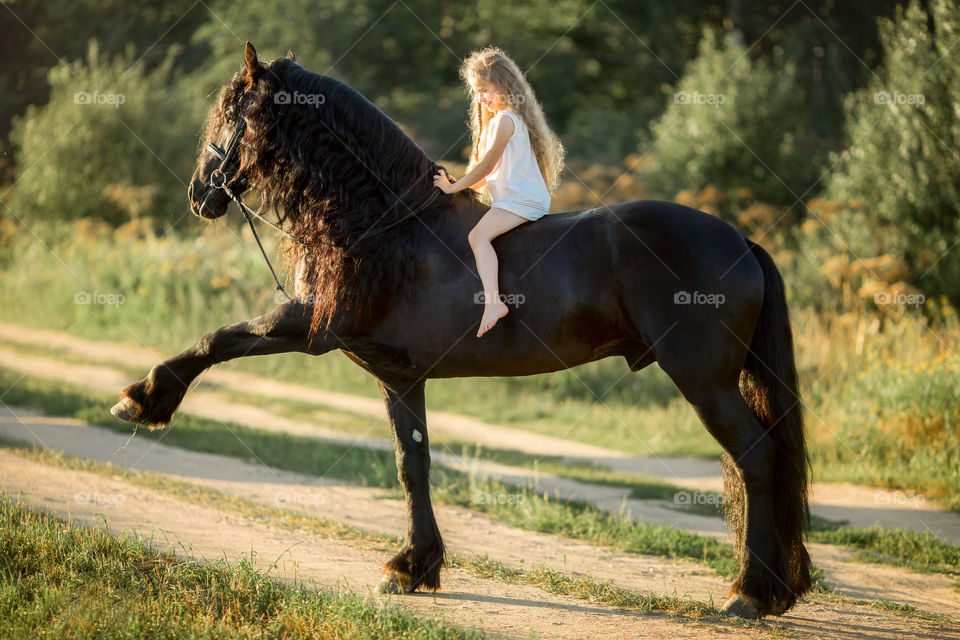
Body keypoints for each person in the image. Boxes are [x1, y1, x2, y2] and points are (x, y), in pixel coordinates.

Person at [434, 46, 565, 337]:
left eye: (484, 90)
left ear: (504, 84)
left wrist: (453, 186)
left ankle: (493, 303)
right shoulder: (512, 118)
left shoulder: (504, 121)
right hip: (523, 199)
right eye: (476, 93)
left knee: (477, 236)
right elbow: (490, 173)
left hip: (520, 201)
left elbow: (486, 165)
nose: (480, 98)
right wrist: (461, 188)